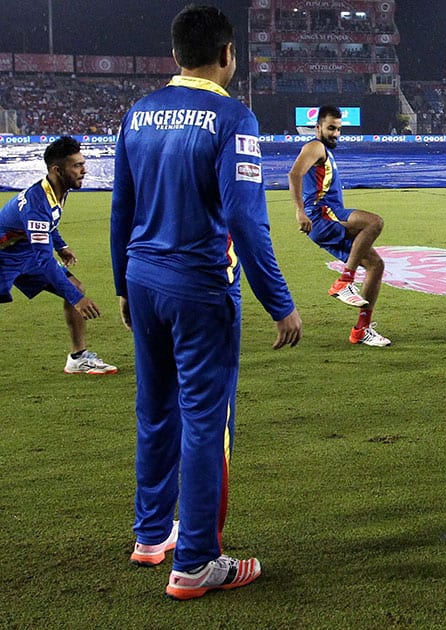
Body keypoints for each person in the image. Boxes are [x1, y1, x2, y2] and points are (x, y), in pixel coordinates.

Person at [110, 4, 302, 600]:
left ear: (174, 55)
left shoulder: (138, 114)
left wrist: (121, 284)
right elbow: (246, 218)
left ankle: (151, 535)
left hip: (143, 280)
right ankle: (195, 561)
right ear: (228, 55)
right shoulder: (233, 117)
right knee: (205, 423)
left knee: (156, 408)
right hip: (198, 288)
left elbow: (121, 208)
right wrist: (279, 300)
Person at [0, 136, 117, 375]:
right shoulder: (37, 203)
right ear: (57, 169)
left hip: (24, 251)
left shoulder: (58, 189)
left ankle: (78, 358)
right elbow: (44, 259)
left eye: (82, 164)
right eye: (77, 165)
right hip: (4, 258)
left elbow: (49, 224)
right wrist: (76, 299)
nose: (84, 170)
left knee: (76, 285)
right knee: (74, 291)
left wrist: (61, 245)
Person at [288, 104, 391, 347]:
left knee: (376, 265)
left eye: (338, 129)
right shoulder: (315, 146)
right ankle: (345, 280)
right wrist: (300, 211)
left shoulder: (325, 150)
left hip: (329, 218)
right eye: (331, 128)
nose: (335, 133)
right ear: (318, 127)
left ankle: (361, 330)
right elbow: (294, 174)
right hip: (323, 215)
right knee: (374, 222)